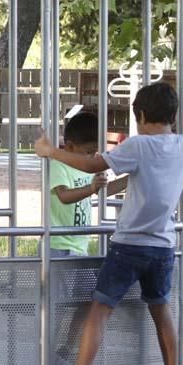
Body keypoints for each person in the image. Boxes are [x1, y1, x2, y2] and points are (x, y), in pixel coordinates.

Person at [34, 82, 183, 365]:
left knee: (99, 310)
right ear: (174, 115)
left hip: (129, 245)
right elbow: (178, 163)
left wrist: (51, 152)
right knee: (162, 309)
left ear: (141, 115)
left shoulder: (138, 145)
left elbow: (95, 164)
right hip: (164, 245)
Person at [48, 111, 126, 258]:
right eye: (89, 152)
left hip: (79, 244)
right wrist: (91, 188)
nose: (93, 157)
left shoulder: (85, 166)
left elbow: (103, 190)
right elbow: (64, 196)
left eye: (95, 152)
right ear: (70, 147)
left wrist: (130, 180)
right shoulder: (58, 165)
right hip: (59, 244)